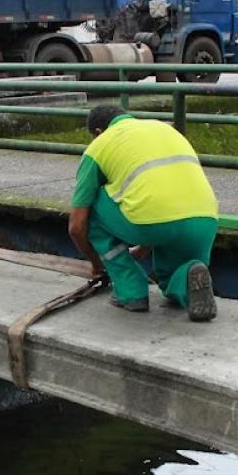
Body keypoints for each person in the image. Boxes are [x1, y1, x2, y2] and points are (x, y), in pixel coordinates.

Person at [68, 104, 219, 321]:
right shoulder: (165, 129)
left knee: (91, 204)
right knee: (169, 276)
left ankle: (131, 291)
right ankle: (187, 277)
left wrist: (98, 263)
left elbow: (77, 225)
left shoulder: (100, 145)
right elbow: (161, 196)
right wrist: (142, 249)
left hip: (151, 221)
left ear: (98, 132)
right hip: (205, 219)